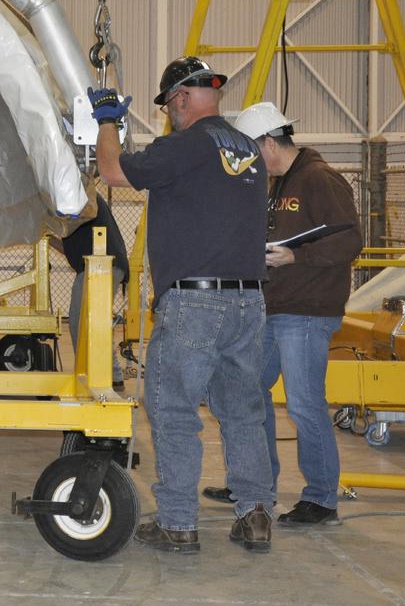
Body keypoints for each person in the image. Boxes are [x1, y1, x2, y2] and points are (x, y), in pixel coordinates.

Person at [91, 56, 275, 554]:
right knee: (243, 411)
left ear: (181, 99)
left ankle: (176, 522)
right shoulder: (249, 151)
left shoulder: (185, 145)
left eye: (171, 106)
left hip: (196, 302)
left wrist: (107, 120)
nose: (171, 115)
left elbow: (113, 170)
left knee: (172, 411)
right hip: (248, 301)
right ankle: (255, 513)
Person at [202, 102, 361, 526]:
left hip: (306, 312)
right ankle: (255, 485)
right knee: (250, 391)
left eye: (252, 151)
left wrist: (295, 257)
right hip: (275, 309)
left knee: (306, 404)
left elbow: (349, 241)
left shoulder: (320, 180)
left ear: (269, 143)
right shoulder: (278, 184)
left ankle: (322, 498)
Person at [57, 192, 129, 390]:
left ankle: (97, 375)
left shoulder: (76, 194)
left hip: (100, 263)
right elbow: (70, 245)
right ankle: (111, 376)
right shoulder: (77, 197)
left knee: (81, 322)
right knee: (91, 322)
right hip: (100, 263)